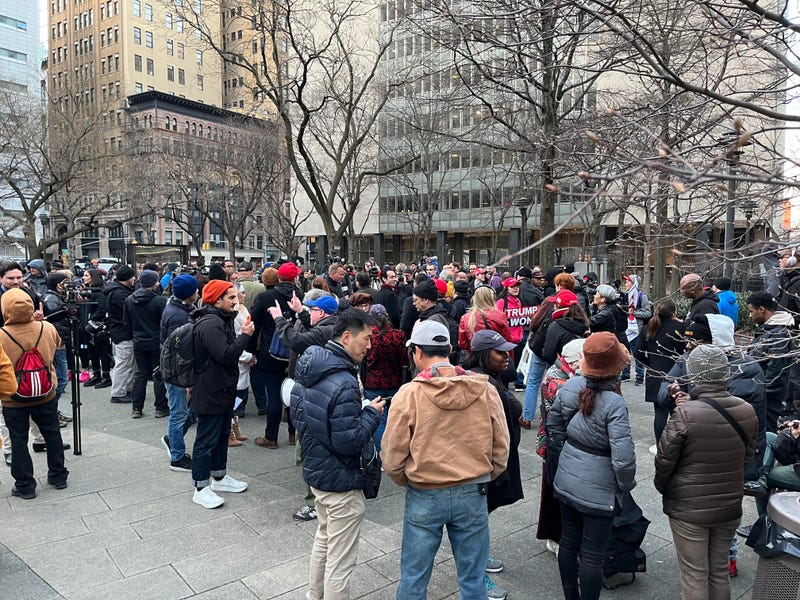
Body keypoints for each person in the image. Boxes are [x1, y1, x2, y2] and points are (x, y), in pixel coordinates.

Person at [381, 320, 510, 600]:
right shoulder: (483, 388)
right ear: (450, 349)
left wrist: (408, 478)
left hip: (425, 490)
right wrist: (486, 473)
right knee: (473, 580)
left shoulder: (410, 394)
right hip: (473, 490)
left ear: (416, 352)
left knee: (414, 579)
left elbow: (392, 458)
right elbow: (502, 447)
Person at [290, 309, 385, 600]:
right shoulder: (343, 380)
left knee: (324, 539)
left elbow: (299, 416)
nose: (369, 346)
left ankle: (313, 596)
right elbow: (349, 441)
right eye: (366, 338)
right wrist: (371, 413)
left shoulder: (309, 368)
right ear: (346, 337)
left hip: (318, 472)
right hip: (341, 480)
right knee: (341, 561)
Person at [655, 345, 757, 600]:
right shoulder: (746, 410)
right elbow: (747, 456)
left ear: (694, 375)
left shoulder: (685, 414)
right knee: (719, 571)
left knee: (694, 574)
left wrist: (664, 488)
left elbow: (664, 461)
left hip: (689, 509)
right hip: (729, 504)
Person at [547, 331, 636, 600]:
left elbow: (554, 427)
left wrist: (568, 455)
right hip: (600, 489)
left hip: (567, 479)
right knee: (594, 555)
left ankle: (570, 596)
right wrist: (624, 486)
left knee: (569, 543)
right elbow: (623, 459)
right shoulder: (615, 404)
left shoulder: (569, 387)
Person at [463, 329, 523, 599]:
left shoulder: (494, 378)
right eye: (500, 352)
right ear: (486, 355)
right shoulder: (477, 383)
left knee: (483, 515)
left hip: (499, 458)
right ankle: (477, 577)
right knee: (474, 522)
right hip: (486, 464)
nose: (507, 356)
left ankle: (480, 556)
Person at [190, 280, 254, 509]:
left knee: (221, 436)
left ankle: (219, 477)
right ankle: (200, 487)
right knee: (206, 440)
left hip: (223, 389)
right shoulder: (210, 324)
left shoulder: (220, 320)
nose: (235, 301)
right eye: (230, 297)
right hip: (210, 391)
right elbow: (226, 355)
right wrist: (244, 336)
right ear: (216, 299)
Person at [0, 288, 66, 499]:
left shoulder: (1, 335)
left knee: (18, 439)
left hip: (13, 398)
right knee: (52, 433)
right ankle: (58, 476)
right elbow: (57, 346)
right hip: (46, 392)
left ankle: (25, 485)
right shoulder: (46, 328)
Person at [537, 338, 586, 556]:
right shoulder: (556, 378)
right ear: (575, 362)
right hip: (555, 445)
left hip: (563, 444)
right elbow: (572, 406)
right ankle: (555, 538)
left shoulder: (567, 374)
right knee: (554, 494)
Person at [249, 262, 304, 443]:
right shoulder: (301, 296)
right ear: (295, 278)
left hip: (270, 351)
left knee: (273, 394)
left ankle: (271, 437)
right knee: (293, 391)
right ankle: (293, 434)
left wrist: (251, 352)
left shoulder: (265, 297)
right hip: (295, 351)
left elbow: (254, 326)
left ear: (279, 278)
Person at [159, 274, 199, 472]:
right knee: (179, 413)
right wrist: (188, 381)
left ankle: (173, 439)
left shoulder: (178, 308)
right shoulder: (178, 315)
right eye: (196, 289)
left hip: (177, 371)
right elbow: (180, 350)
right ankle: (177, 456)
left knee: (187, 412)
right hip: (178, 374)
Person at [633, 300, 686, 444]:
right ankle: (678, 444)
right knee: (679, 413)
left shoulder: (648, 328)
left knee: (660, 412)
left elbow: (637, 352)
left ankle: (660, 445)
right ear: (674, 312)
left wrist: (649, 364)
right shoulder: (681, 327)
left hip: (655, 374)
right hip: (678, 374)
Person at [747, 291, 794, 433]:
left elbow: (776, 371)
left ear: (761, 309)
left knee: (766, 433)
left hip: (768, 397)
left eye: (751, 311)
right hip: (762, 393)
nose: (750, 315)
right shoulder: (767, 331)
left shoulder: (778, 334)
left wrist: (759, 391)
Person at [124, 269, 168, 419]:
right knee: (159, 374)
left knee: (140, 374)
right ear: (154, 283)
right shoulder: (159, 301)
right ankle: (160, 407)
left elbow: (127, 322)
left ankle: (137, 408)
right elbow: (164, 323)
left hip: (139, 341)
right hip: (156, 341)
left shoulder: (129, 300)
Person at [363, 304, 407, 452]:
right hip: (394, 381)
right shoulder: (398, 335)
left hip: (373, 383)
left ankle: (381, 453)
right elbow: (404, 360)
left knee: (379, 420)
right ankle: (394, 451)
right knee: (394, 419)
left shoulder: (369, 337)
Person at [106, 265, 136, 404]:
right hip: (122, 332)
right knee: (124, 363)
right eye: (133, 276)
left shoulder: (118, 290)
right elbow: (130, 310)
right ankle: (118, 393)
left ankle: (126, 389)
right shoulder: (120, 294)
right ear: (127, 278)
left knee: (127, 362)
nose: (135, 279)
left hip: (121, 331)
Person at [458, 285, 511, 355]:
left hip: (474, 357)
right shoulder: (499, 316)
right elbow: (507, 340)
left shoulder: (465, 318)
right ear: (492, 298)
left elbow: (462, 344)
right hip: (495, 357)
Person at [540, 290, 589, 367]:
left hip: (565, 368)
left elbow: (548, 355)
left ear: (557, 306)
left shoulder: (555, 326)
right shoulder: (584, 321)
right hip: (584, 365)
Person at [81, 268, 112, 388]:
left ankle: (106, 376)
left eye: (86, 275)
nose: (84, 277)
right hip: (87, 326)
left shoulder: (100, 293)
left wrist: (91, 319)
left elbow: (102, 309)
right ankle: (96, 374)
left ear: (93, 277)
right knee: (93, 352)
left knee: (102, 352)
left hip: (97, 327)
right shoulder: (87, 292)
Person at [621, 274, 652, 384]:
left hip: (636, 329)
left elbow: (648, 312)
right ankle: (625, 374)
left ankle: (639, 376)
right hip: (626, 327)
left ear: (634, 283)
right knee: (625, 352)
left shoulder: (641, 296)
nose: (625, 284)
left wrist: (635, 313)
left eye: (628, 282)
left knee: (637, 352)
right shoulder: (627, 295)